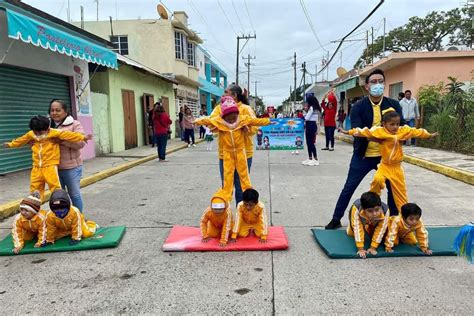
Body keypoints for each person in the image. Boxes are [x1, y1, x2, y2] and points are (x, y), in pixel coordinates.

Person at [325, 68, 403, 230]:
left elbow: (399, 130)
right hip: (363, 155)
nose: (377, 85)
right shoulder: (358, 107)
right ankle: (336, 218)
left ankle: (394, 221)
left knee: (392, 189)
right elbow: (358, 132)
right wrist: (381, 136)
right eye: (373, 82)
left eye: (380, 81)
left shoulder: (394, 105)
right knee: (349, 187)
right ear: (367, 86)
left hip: (386, 158)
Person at [340, 109, 438, 213]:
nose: (395, 127)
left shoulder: (403, 130)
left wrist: (428, 135)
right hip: (385, 166)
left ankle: (404, 217)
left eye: (397, 124)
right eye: (392, 124)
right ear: (384, 124)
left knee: (401, 194)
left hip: (396, 168)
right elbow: (364, 132)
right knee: (377, 180)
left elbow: (416, 132)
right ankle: (371, 204)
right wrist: (349, 132)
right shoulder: (380, 131)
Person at [195, 96, 271, 201]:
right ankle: (225, 203)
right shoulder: (219, 121)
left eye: (233, 118)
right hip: (227, 153)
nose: (231, 121)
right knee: (227, 177)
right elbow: (207, 120)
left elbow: (256, 121)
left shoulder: (243, 119)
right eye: (228, 119)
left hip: (241, 152)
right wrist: (196, 121)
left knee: (244, 177)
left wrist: (269, 121)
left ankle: (246, 201)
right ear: (223, 117)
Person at [4, 115, 92, 201]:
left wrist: (83, 137)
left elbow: (69, 135)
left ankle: (60, 204)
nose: (38, 135)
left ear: (48, 129)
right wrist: (11, 144)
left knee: (54, 186)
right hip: (36, 167)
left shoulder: (54, 132)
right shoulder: (31, 134)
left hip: (50, 166)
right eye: (36, 132)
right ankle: (35, 206)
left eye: (40, 133)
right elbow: (21, 140)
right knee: (35, 188)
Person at [210, 84, 258, 205]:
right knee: (226, 187)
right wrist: (221, 122)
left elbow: (255, 127)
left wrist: (247, 129)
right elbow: (211, 124)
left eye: (226, 92)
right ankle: (226, 217)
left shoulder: (246, 109)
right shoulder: (218, 109)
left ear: (234, 95)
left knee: (242, 187)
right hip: (225, 155)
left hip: (244, 155)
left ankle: (240, 216)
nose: (223, 95)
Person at [49, 99, 87, 212]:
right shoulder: (46, 125)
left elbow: (81, 143)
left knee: (74, 194)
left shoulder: (75, 124)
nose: (54, 113)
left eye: (58, 110)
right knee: (57, 197)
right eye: (52, 110)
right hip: (53, 168)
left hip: (71, 168)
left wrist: (62, 140)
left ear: (65, 111)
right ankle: (62, 220)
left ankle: (78, 218)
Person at [347, 192, 389, 258]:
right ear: (364, 209)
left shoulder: (385, 211)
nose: (374, 213)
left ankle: (368, 226)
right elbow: (357, 228)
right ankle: (357, 227)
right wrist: (360, 249)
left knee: (379, 233)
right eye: (370, 211)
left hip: (375, 221)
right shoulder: (356, 208)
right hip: (361, 219)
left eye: (377, 209)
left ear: (380, 206)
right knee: (351, 234)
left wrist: (373, 247)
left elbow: (381, 230)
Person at [302, 95, 321, 166]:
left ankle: (315, 159)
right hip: (313, 125)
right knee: (310, 142)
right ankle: (310, 158)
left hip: (310, 125)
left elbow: (306, 118)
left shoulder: (311, 108)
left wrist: (304, 115)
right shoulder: (316, 108)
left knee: (310, 143)